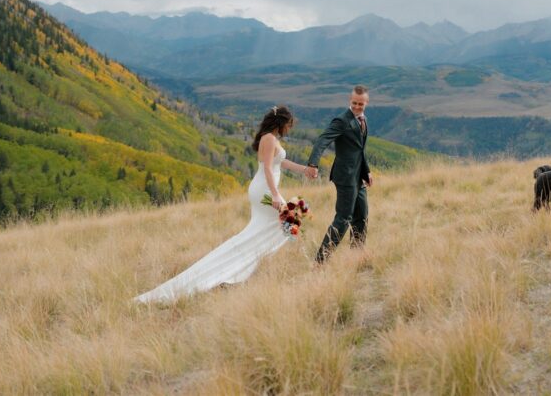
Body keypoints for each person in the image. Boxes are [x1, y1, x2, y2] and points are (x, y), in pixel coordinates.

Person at [133, 105, 318, 304]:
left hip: (263, 189)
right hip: (265, 190)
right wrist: (274, 195)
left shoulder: (269, 138)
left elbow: (279, 162)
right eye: (289, 126)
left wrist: (303, 170)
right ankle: (246, 264)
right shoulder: (270, 139)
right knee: (290, 222)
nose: (289, 130)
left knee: (280, 225)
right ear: (281, 123)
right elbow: (266, 168)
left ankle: (252, 262)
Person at [308, 85, 373, 264]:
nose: (357, 107)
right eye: (354, 103)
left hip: (358, 176)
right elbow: (323, 140)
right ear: (349, 100)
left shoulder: (363, 119)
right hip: (345, 177)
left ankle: (356, 257)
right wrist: (313, 163)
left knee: (362, 217)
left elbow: (360, 150)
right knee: (343, 219)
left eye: (361, 104)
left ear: (366, 102)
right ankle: (320, 261)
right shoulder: (342, 121)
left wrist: (366, 171)